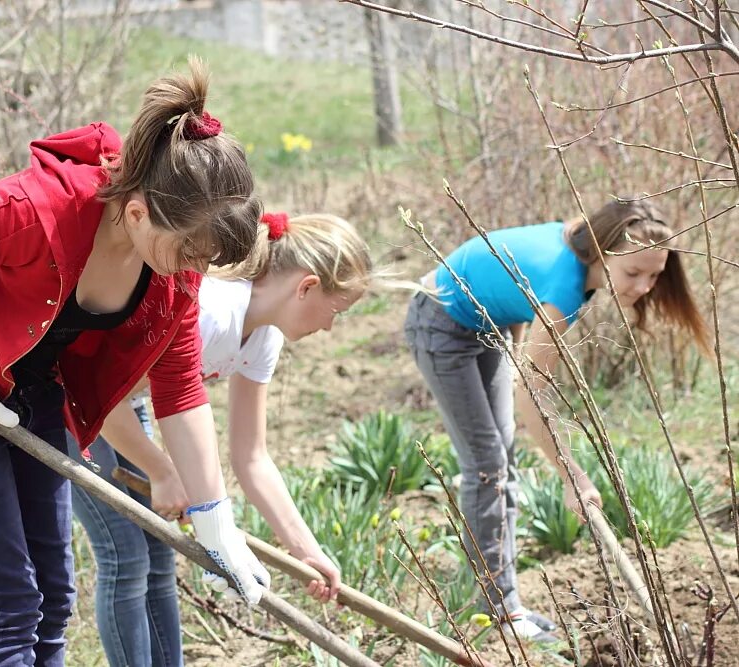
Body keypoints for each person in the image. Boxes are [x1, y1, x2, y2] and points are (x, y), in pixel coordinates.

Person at [0, 58, 272, 666]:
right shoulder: (30, 213)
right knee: (6, 607)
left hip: (31, 395)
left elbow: (179, 388)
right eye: (189, 250)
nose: (193, 270)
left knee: (52, 599)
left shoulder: (174, 271)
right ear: (136, 213)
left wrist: (215, 519)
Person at [69, 212, 372, 667]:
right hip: (69, 400)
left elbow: (251, 458)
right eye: (336, 311)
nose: (330, 328)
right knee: (125, 556)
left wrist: (307, 552)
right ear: (306, 286)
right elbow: (96, 396)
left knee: (158, 552)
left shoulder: (262, 337)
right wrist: (163, 471)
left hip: (120, 406)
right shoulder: (210, 311)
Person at [403, 199, 709, 642]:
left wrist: (519, 346)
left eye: (655, 275)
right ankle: (501, 614)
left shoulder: (583, 242)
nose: (644, 287)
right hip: (442, 323)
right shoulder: (566, 285)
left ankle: (504, 603)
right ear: (602, 256)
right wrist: (571, 476)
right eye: (632, 274)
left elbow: (517, 282)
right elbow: (533, 388)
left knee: (500, 461)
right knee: (487, 466)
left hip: (490, 325)